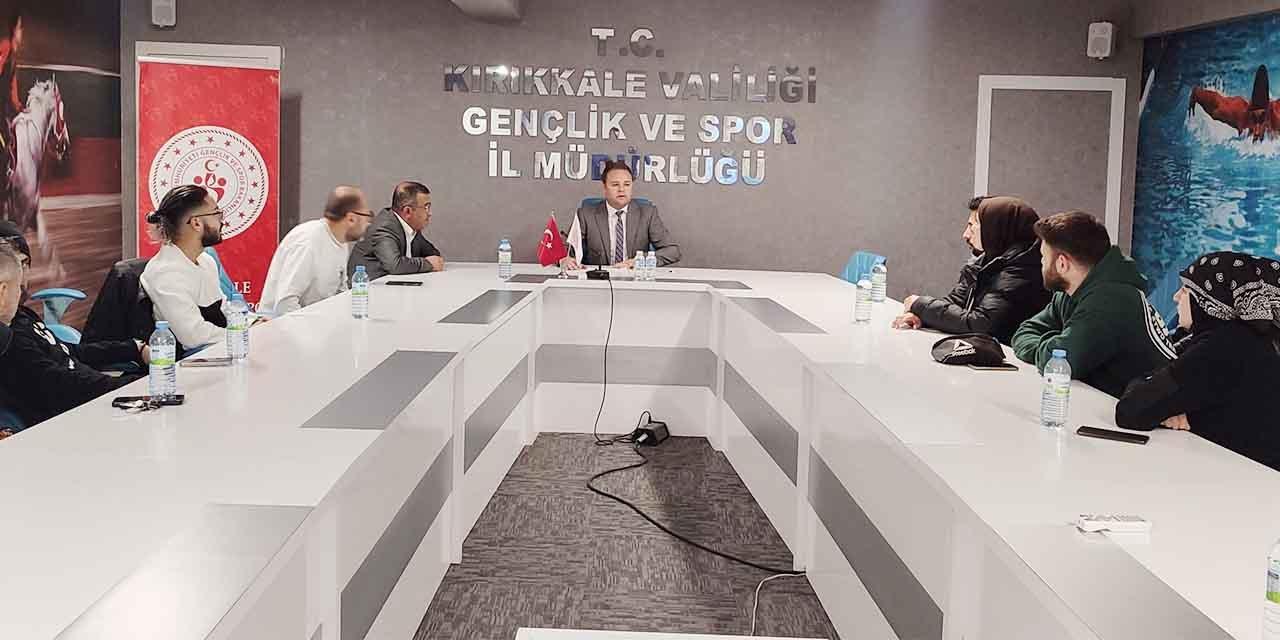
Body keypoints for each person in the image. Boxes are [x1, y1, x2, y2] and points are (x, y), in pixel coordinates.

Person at [1116, 252, 1280, 470]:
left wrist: (1172, 409)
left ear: (1209, 301)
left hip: (1248, 482)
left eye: (1185, 290)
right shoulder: (1252, 338)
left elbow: (1131, 411)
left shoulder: (1224, 346)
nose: (1176, 297)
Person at [1011, 211, 1176, 397]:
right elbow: (1024, 332)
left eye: (1043, 256)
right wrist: (1055, 344)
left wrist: (1055, 347)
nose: (1041, 262)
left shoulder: (1111, 300)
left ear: (1062, 264)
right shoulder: (1070, 291)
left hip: (1142, 410)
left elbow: (1063, 363)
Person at [0, 226, 147, 428]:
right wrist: (134, 386)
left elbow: (67, 351)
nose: (22, 274)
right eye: (15, 264)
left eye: (24, 263)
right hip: (76, 417)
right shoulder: (11, 338)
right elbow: (60, 385)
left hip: (93, 395)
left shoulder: (23, 315)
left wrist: (133, 348)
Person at [893, 196, 1051, 343]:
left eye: (972, 226)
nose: (965, 235)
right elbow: (956, 302)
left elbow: (981, 324)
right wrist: (923, 317)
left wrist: (920, 304)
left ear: (994, 228)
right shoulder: (987, 260)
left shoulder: (1022, 271)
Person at [140, 184, 228, 351]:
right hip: (190, 359)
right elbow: (193, 336)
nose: (222, 221)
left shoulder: (206, 261)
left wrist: (254, 323)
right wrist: (244, 335)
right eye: (217, 213)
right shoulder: (164, 273)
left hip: (217, 349)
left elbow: (224, 310)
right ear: (196, 223)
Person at [260, 186, 372, 315]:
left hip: (317, 320)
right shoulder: (307, 243)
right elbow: (284, 305)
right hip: (281, 324)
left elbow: (339, 294)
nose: (368, 224)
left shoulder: (340, 240)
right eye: (367, 216)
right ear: (351, 219)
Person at [560, 160, 680, 269]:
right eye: (615, 185)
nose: (621, 189)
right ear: (605, 188)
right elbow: (565, 249)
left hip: (634, 279)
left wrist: (640, 261)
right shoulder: (586, 214)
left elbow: (672, 251)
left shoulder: (647, 213)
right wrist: (564, 259)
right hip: (598, 280)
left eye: (627, 184)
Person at [347, 181, 443, 281]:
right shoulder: (383, 228)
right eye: (426, 207)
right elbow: (395, 265)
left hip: (392, 284)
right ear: (408, 211)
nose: (429, 213)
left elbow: (433, 255)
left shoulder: (411, 227)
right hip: (366, 287)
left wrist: (431, 261)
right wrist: (428, 264)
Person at [1189, 64, 1280, 143]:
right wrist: (1196, 94)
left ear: (1268, 113)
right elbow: (1213, 101)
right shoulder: (1239, 113)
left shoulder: (1277, 115)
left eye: (1261, 120)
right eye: (1253, 119)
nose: (1256, 132)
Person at [0, 8, 25, 185]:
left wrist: (22, 109)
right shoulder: (5, 46)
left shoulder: (14, 61)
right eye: (20, 27)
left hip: (4, 113)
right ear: (14, 30)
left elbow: (13, 95)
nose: (22, 32)